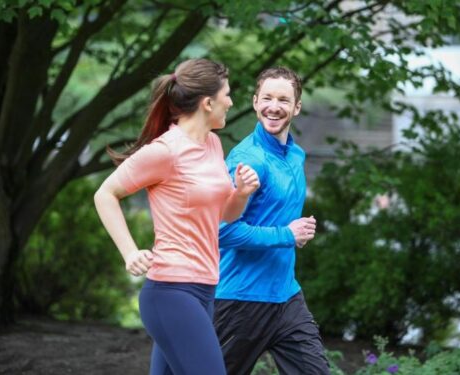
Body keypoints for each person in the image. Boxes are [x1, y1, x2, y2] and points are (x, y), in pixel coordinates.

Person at [93, 58, 260, 375]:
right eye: (227, 94)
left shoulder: (212, 144)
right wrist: (129, 252)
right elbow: (105, 194)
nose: (231, 101)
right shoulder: (165, 151)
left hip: (204, 289)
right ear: (208, 103)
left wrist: (240, 193)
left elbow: (225, 214)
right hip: (171, 292)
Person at [213, 67, 330, 374]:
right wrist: (286, 235)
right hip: (240, 299)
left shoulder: (296, 156)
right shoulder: (247, 160)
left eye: (283, 99)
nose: (274, 106)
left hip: (286, 296)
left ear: (297, 107)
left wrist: (296, 232)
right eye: (267, 97)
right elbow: (223, 232)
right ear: (254, 102)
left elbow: (279, 220)